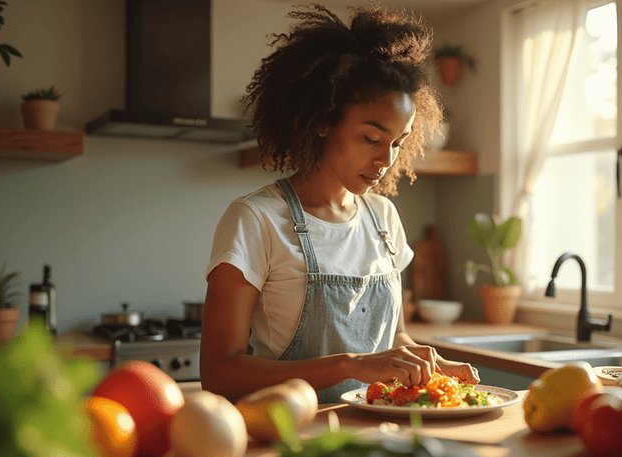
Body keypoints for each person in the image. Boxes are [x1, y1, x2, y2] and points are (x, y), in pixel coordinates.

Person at [200, 3, 479, 404]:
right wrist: (349, 365)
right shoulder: (255, 220)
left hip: (380, 432)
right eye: (371, 138)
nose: (386, 160)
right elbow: (219, 373)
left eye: (398, 143)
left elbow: (392, 336)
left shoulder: (383, 218)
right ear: (323, 121)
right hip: (291, 436)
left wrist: (429, 364)